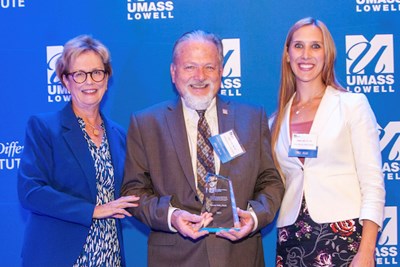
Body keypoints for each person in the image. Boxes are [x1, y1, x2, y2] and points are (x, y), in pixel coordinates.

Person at [121, 30, 284, 267]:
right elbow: (134, 192)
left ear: (221, 71)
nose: (200, 76)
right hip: (174, 258)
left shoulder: (252, 117)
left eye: (209, 67)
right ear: (173, 73)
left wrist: (255, 216)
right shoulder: (146, 124)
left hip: (239, 256)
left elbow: (270, 181)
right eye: (190, 67)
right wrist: (172, 216)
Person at [270, 17, 385, 267]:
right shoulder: (275, 122)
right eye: (298, 46)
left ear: (328, 54)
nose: (306, 55)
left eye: (315, 46)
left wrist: (366, 252)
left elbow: (373, 184)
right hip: (292, 240)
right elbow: (273, 185)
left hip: (344, 237)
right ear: (288, 55)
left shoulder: (352, 106)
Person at [17, 35, 139, 267]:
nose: (89, 81)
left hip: (109, 256)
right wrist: (93, 210)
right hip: (59, 257)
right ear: (65, 81)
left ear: (106, 78)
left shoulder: (119, 134)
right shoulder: (44, 128)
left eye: (96, 72)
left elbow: (134, 191)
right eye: (79, 74)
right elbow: (30, 191)